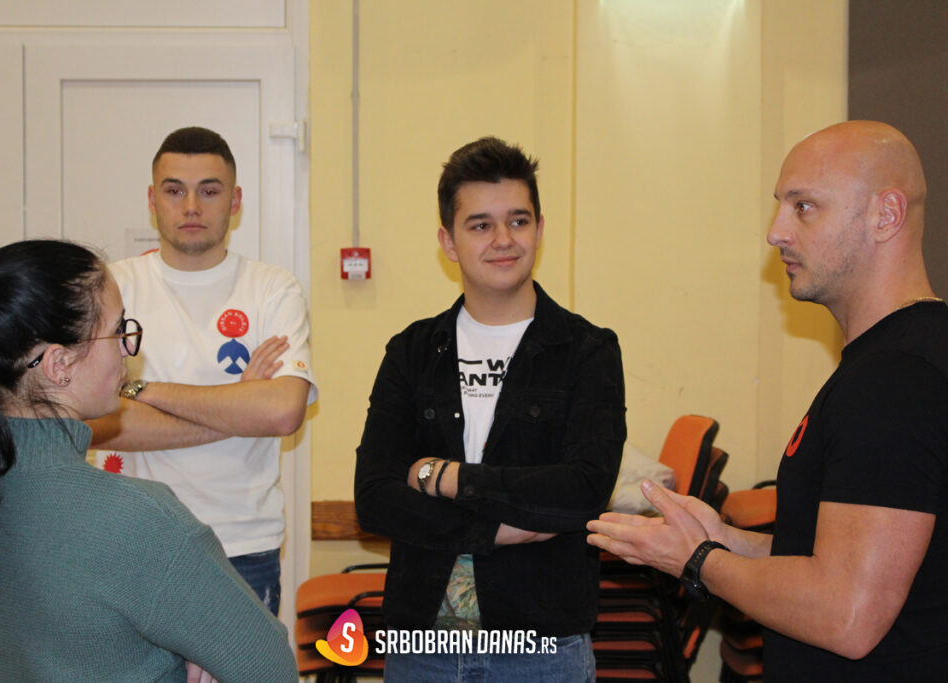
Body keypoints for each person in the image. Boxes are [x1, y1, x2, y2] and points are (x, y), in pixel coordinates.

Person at [587, 120, 948, 680]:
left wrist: (698, 561)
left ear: (886, 215)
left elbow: (846, 615)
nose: (776, 231)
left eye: (804, 207)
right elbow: (840, 563)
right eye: (780, 205)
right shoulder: (903, 358)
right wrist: (723, 540)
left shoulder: (893, 379)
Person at [0, 240, 296, 682]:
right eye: (118, 330)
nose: (127, 349)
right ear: (60, 364)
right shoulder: (136, 518)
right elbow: (270, 669)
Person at [355, 137, 626, 681]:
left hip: (544, 650)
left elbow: (582, 492)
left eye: (518, 221)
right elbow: (375, 498)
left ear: (540, 229)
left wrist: (445, 476)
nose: (503, 240)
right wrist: (496, 528)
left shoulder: (587, 351)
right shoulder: (412, 352)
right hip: (422, 650)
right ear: (448, 242)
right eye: (480, 225)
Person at [88, 127, 317, 615]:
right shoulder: (110, 287)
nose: (191, 206)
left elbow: (281, 412)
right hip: (129, 542)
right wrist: (237, 407)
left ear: (235, 201)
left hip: (241, 547)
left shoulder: (273, 289)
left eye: (209, 191)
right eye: (175, 190)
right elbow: (98, 423)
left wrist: (142, 389)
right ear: (152, 200)